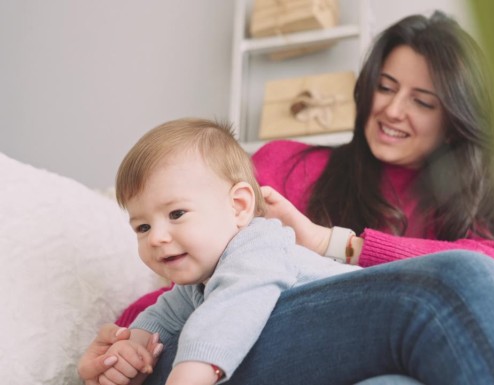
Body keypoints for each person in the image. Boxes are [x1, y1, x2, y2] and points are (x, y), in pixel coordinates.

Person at [79, 10, 494, 385]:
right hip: (212, 352)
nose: (393, 110)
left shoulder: (457, 207)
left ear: (455, 120)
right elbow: (188, 288)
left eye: (423, 101)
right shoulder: (287, 166)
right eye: (384, 87)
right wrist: (125, 343)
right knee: (459, 280)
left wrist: (330, 243)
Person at [95, 118, 362, 385]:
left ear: (239, 206)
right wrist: (131, 348)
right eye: (143, 227)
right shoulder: (196, 285)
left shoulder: (259, 247)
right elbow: (161, 316)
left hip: (361, 325)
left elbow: (224, 320)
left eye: (176, 214)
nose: (155, 237)